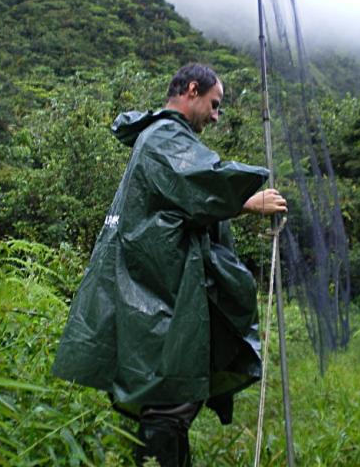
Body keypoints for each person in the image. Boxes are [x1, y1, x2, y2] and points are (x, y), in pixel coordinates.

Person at [52, 63, 287, 466]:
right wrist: (247, 198)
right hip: (158, 298)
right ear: (192, 90)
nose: (216, 116)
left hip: (159, 292)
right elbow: (199, 182)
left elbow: (182, 200)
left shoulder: (160, 138)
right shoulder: (165, 138)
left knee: (169, 404)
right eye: (214, 105)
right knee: (167, 406)